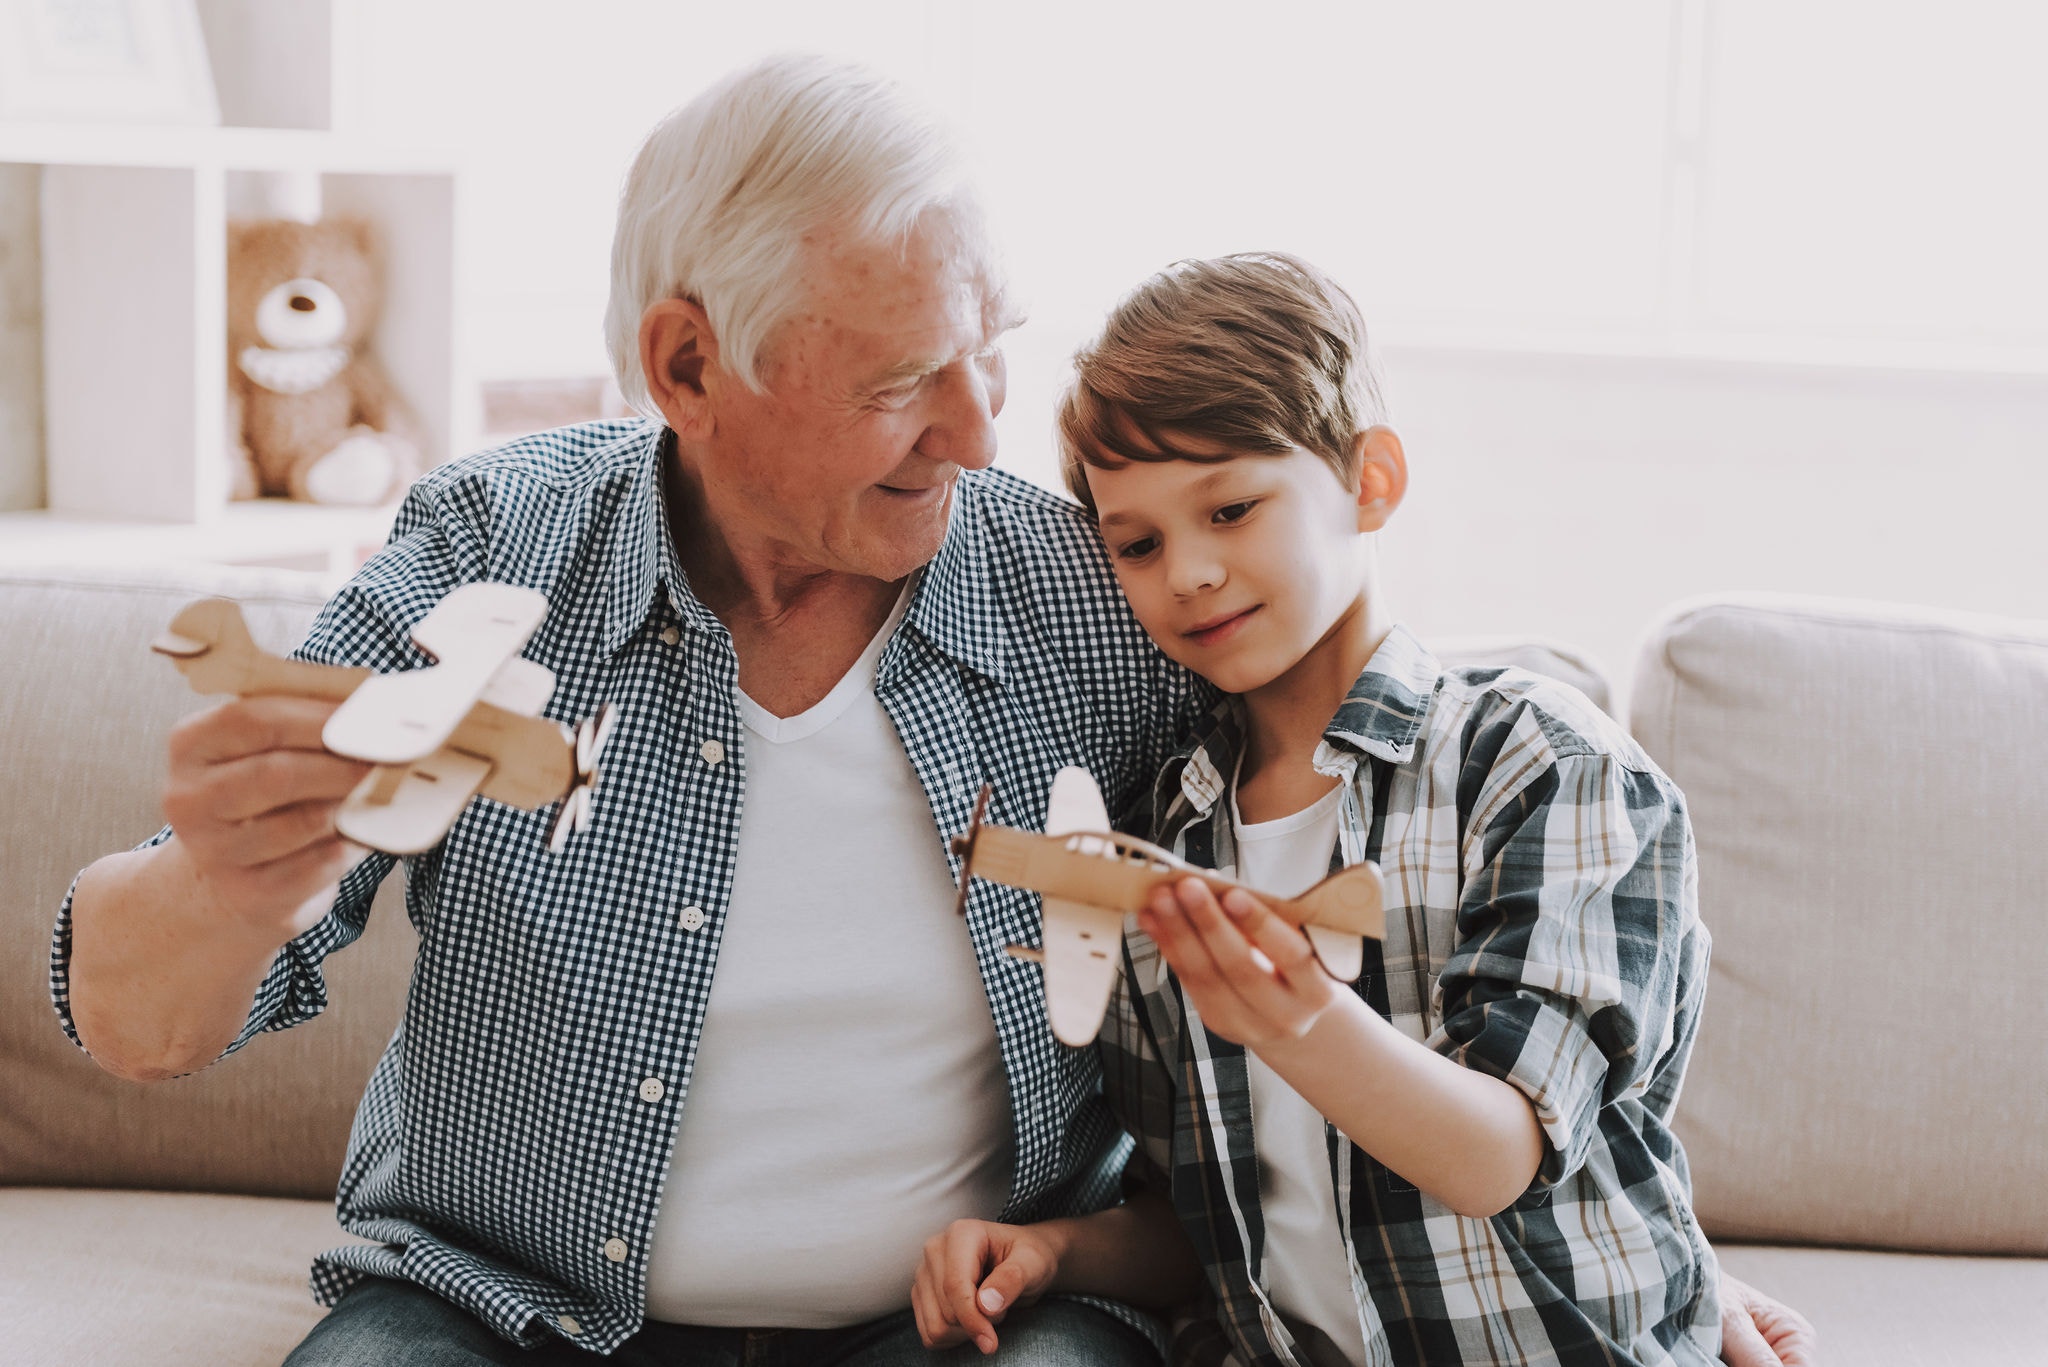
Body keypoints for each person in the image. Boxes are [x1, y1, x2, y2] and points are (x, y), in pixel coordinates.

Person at [51, 55, 1808, 1367]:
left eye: (991, 351)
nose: (975, 435)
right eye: (900, 384)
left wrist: (1641, 1254)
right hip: (505, 1310)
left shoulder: (1088, 592)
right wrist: (227, 872)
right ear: (686, 366)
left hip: (963, 1324)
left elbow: (1413, 838)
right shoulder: (494, 545)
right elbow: (139, 1020)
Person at [908, 254, 1818, 1367]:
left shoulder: (1539, 764)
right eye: (1135, 542)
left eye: (1230, 508)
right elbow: (1211, 1225)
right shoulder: (1166, 828)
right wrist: (1051, 1249)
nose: (1186, 571)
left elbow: (1498, 1151)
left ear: (1368, 481)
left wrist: (1297, 1019)